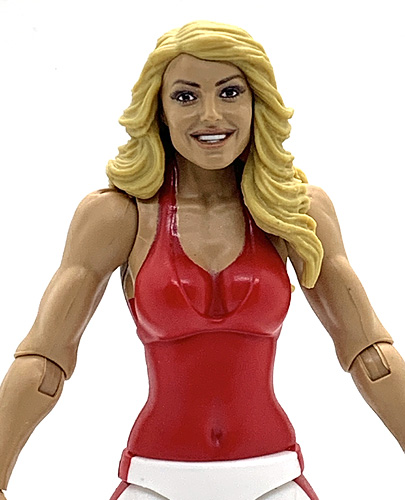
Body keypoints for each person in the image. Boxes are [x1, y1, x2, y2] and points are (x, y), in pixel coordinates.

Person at [0, 20, 404, 500]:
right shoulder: (119, 216)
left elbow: (369, 353)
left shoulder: (295, 213)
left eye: (230, 92)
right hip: (156, 476)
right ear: (160, 109)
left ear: (256, 103)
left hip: (271, 473)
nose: (210, 115)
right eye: (186, 96)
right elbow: (45, 360)